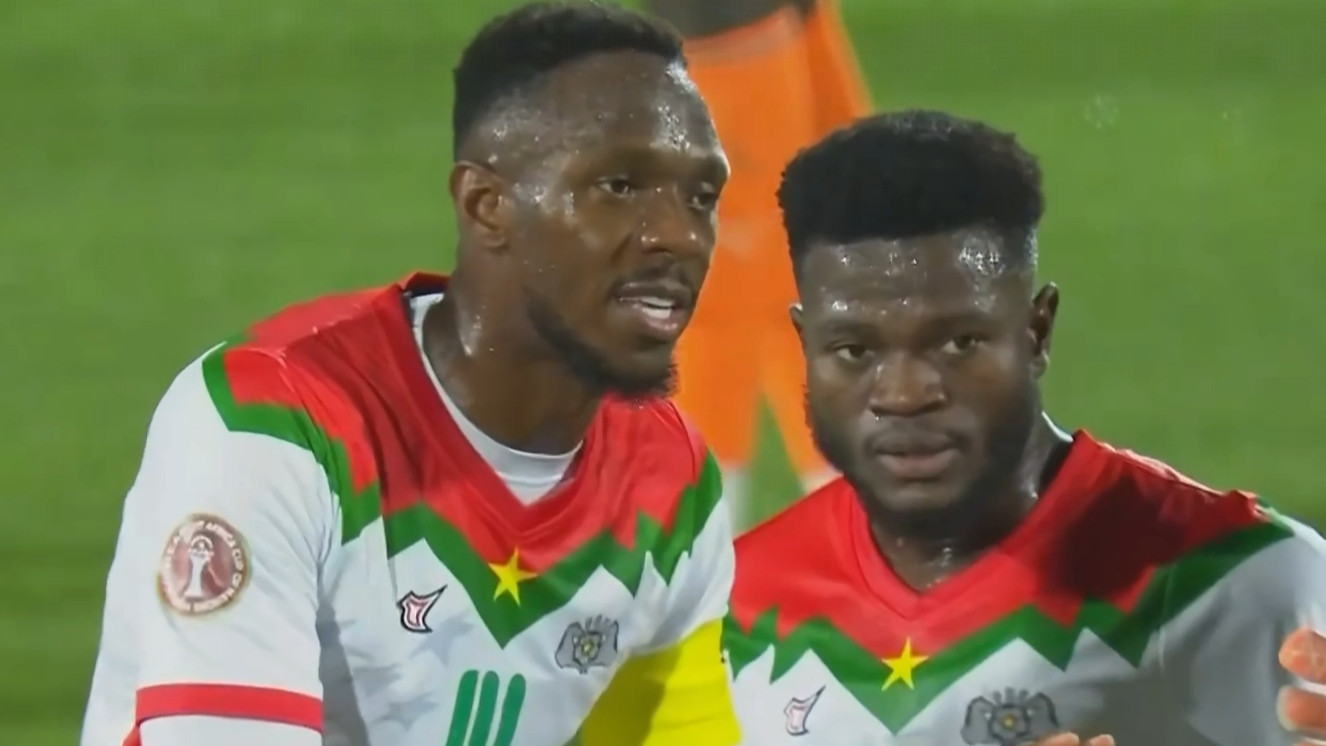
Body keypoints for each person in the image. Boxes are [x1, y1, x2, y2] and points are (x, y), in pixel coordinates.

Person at [80, 3, 742, 745]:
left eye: (701, 198)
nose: (680, 236)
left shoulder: (670, 480)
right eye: (619, 187)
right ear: (486, 206)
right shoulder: (273, 423)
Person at [721, 110, 1326, 745]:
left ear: (1036, 333)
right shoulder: (728, 611)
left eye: (959, 342)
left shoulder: (1237, 582)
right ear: (806, 346)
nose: (903, 393)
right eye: (853, 350)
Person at [643, 0, 871, 516]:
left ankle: (867, 517)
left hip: (764, 31)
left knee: (814, 242)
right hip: (733, 38)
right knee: (742, 273)